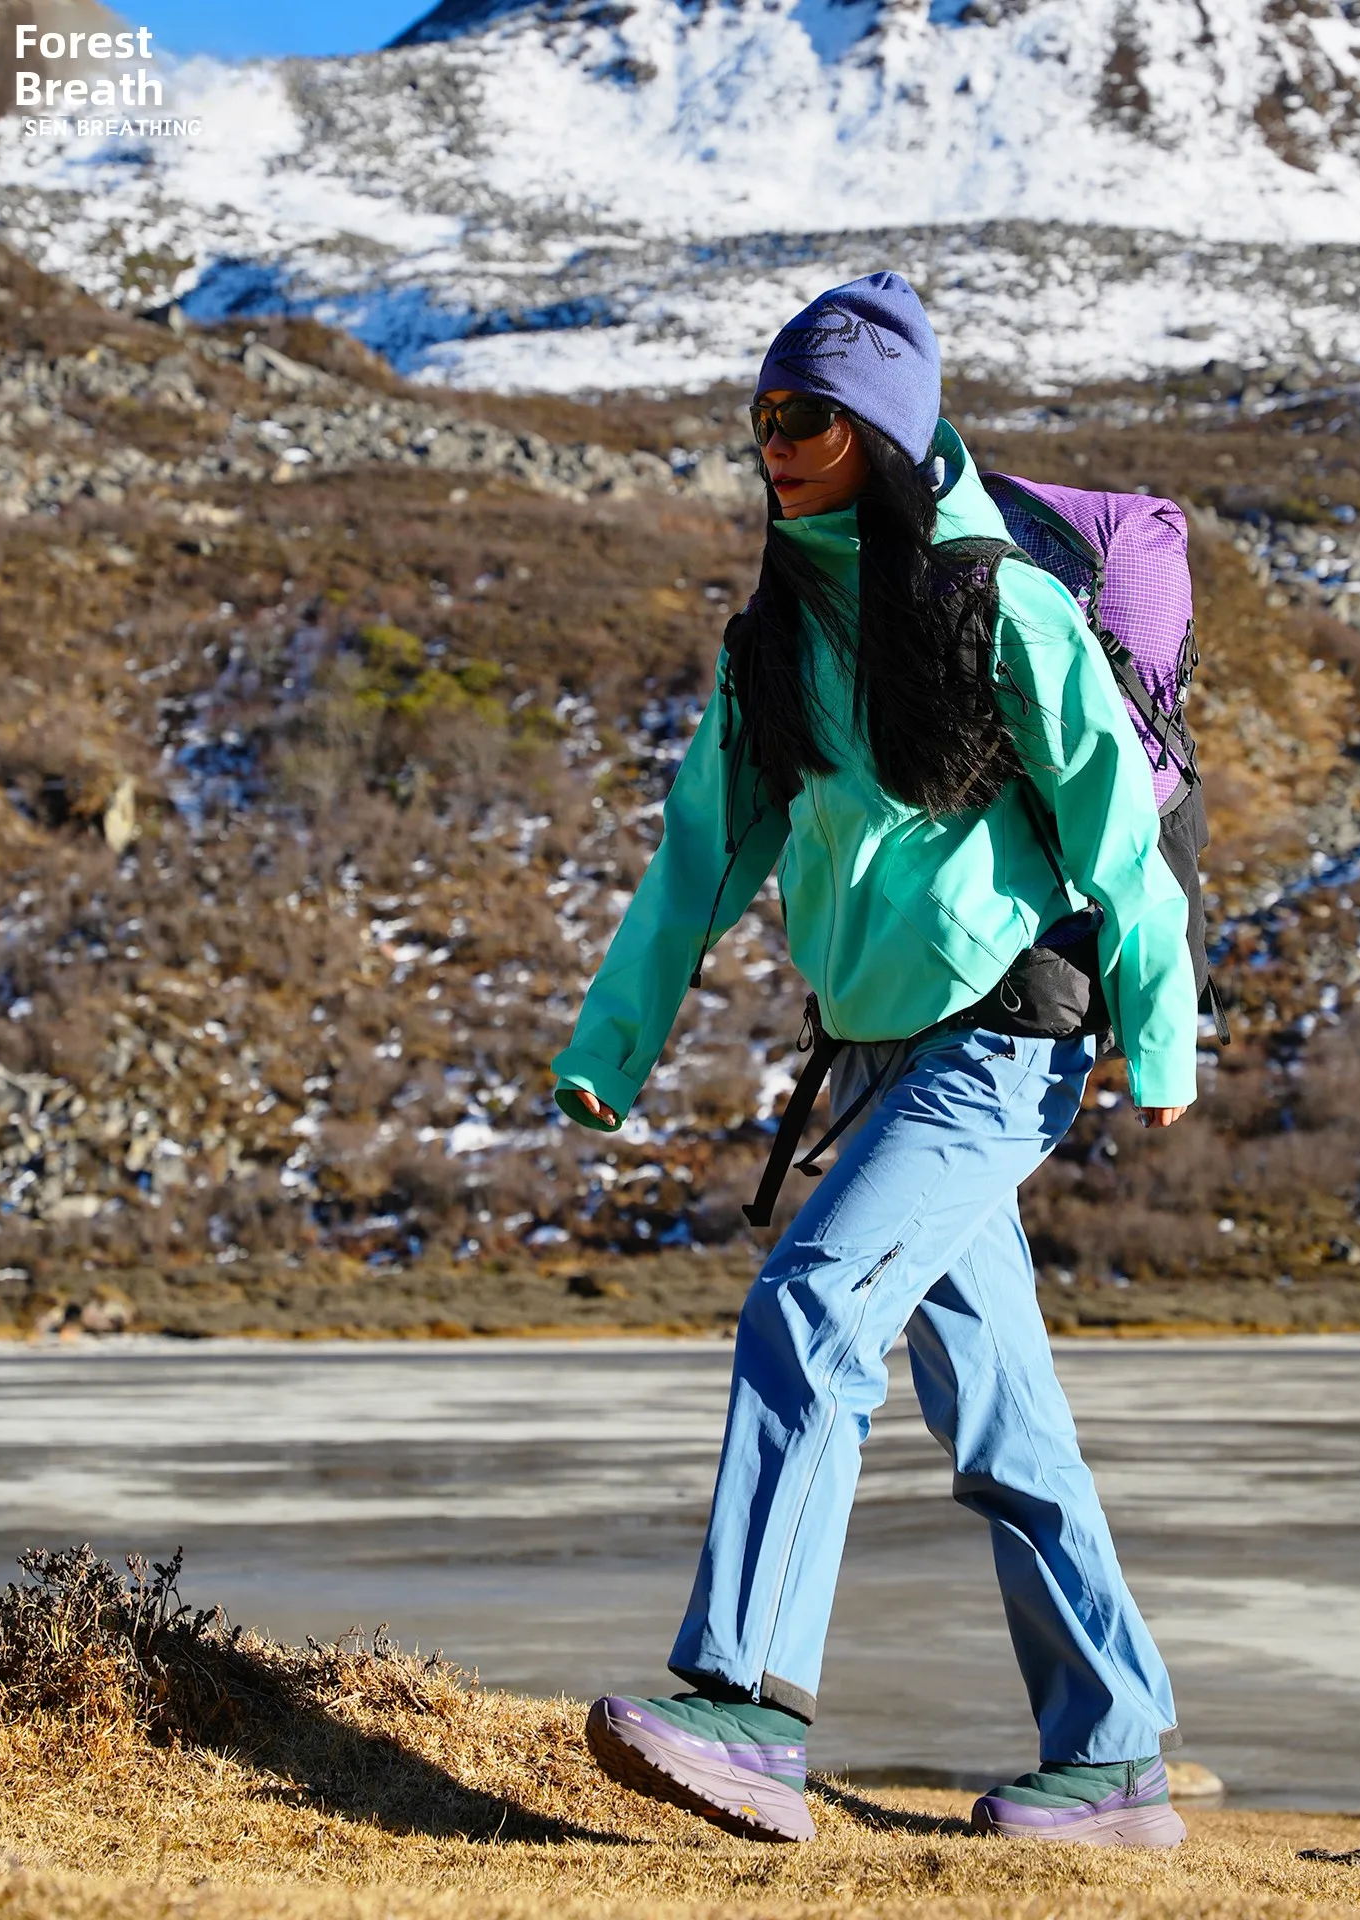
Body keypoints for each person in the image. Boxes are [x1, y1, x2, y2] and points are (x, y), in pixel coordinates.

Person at [550, 272, 1197, 1849]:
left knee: (814, 1302)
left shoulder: (1001, 607)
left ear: (887, 435)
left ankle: (751, 1706)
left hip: (1003, 1039)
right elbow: (699, 854)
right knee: (1001, 1415)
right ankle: (1114, 1755)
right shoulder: (774, 638)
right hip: (874, 1057)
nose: (775, 442)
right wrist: (611, 1045)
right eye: (764, 415)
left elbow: (1118, 829)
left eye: (809, 416)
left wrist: (1162, 1025)